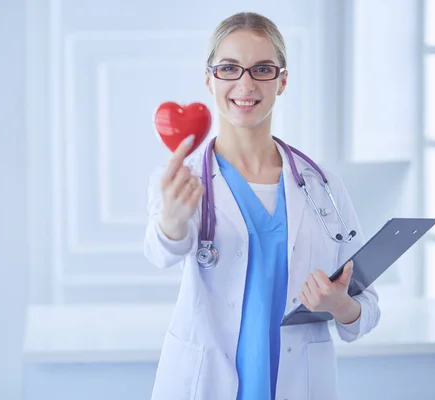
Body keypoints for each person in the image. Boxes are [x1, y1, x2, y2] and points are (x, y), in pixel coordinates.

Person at [143, 11, 380, 400]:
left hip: (297, 383)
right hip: (205, 384)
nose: (246, 83)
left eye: (262, 69)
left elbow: (366, 307)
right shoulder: (182, 179)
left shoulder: (322, 187)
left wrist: (341, 305)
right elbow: (160, 252)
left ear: (282, 80)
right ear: (209, 78)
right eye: (229, 68)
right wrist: (171, 220)